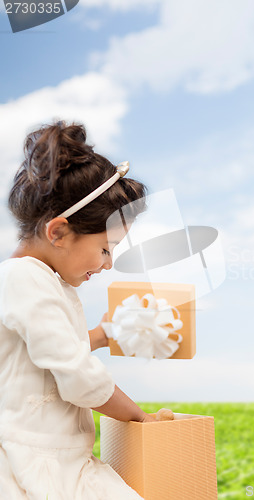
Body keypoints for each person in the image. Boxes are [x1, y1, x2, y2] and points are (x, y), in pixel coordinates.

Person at [0, 121, 158, 499]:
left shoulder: (42, 280)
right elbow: (77, 377)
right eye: (106, 248)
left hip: (64, 457)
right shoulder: (23, 278)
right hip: (36, 462)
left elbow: (46, 360)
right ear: (58, 232)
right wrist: (140, 418)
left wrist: (100, 336)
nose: (108, 263)